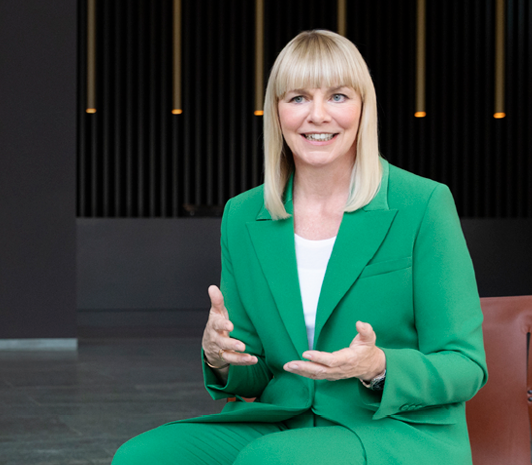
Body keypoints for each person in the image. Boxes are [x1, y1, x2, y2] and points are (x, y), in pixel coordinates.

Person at [112, 30, 487, 465]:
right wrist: (220, 357)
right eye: (298, 98)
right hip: (286, 420)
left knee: (271, 460)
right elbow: (254, 371)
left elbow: (465, 365)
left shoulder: (421, 203)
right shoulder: (244, 214)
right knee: (143, 457)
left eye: (339, 97)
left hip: (392, 430)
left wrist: (378, 365)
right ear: (277, 112)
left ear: (364, 108)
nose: (318, 115)